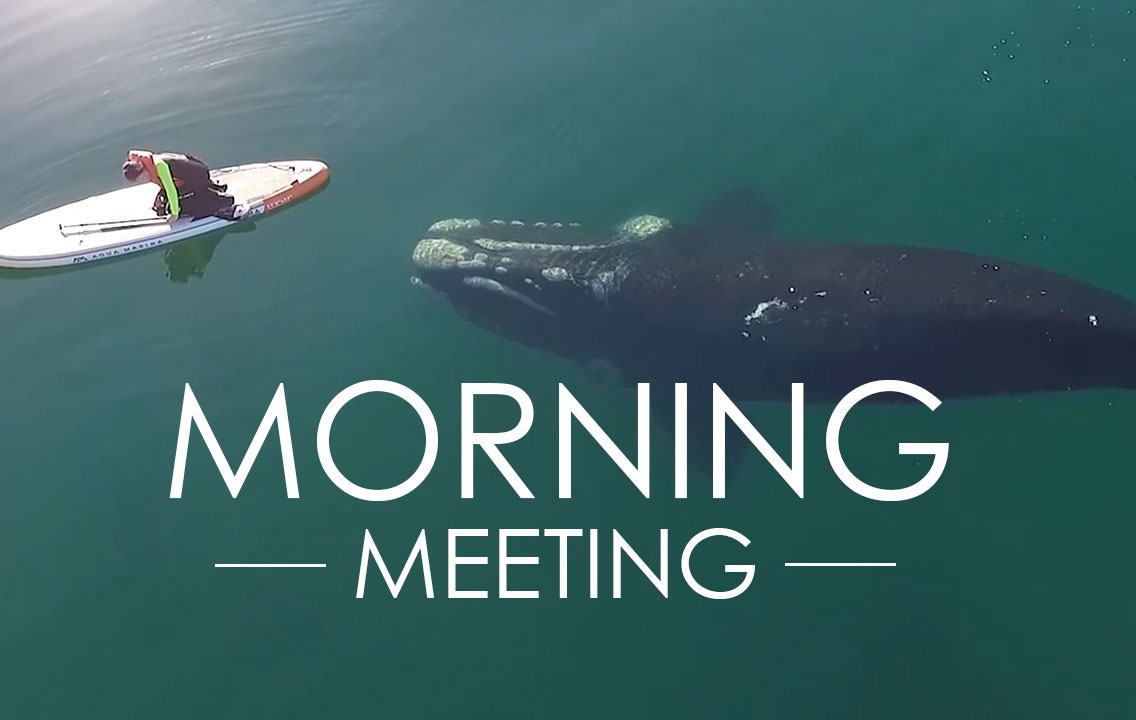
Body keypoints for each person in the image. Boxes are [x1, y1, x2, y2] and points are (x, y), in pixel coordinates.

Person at [122, 150, 237, 220]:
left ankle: (222, 201)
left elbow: (171, 189)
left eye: (142, 179)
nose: (143, 182)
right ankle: (211, 187)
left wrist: (175, 213)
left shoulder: (160, 167)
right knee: (162, 202)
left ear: (143, 170)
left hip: (197, 176)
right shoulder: (137, 160)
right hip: (192, 169)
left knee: (184, 208)